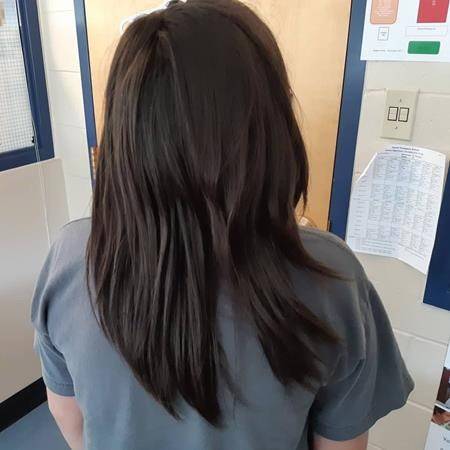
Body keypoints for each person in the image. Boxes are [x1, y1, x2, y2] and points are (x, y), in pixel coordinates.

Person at [31, 1, 414, 449]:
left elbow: (70, 420)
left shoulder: (71, 257)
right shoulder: (331, 276)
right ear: (269, 129)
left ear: (125, 133)